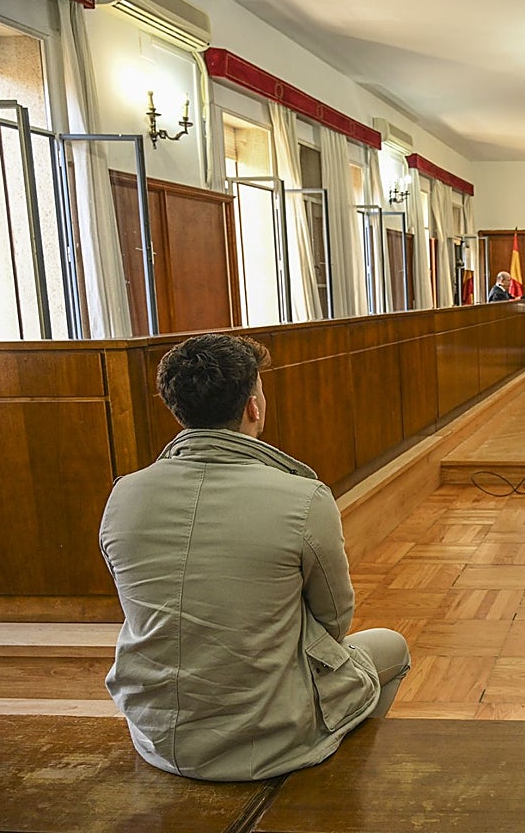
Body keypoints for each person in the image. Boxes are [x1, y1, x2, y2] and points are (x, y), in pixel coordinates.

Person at [100, 334, 411, 782]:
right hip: (268, 739)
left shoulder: (123, 494)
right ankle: (339, 781)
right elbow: (335, 621)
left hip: (156, 735)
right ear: (253, 407)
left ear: (177, 408)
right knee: (391, 647)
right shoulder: (303, 497)